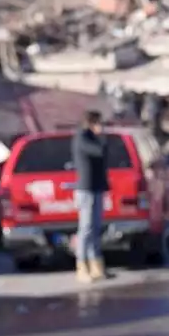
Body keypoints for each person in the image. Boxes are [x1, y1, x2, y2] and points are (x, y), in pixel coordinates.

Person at [71, 110, 110, 282]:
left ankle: (96, 266)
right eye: (98, 123)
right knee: (85, 228)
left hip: (96, 188)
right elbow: (99, 151)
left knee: (95, 228)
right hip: (86, 189)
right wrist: (101, 137)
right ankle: (82, 265)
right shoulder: (82, 138)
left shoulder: (92, 138)